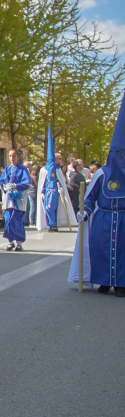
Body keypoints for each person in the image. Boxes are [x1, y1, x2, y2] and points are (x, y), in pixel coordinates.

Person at [70, 91, 125, 296]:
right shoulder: (102, 174)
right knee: (101, 249)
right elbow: (90, 197)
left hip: (123, 219)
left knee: (122, 252)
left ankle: (121, 283)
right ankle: (103, 281)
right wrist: (84, 211)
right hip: (103, 219)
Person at [36, 127, 77, 232]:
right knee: (47, 207)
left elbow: (61, 180)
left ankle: (53, 223)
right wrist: (42, 191)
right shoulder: (44, 170)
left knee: (52, 207)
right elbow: (42, 182)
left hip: (55, 191)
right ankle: (50, 224)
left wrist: (61, 188)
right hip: (47, 191)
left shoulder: (58, 169)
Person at [0, 149, 31, 251]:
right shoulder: (7, 169)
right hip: (8, 200)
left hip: (19, 200)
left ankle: (19, 242)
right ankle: (10, 241)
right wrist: (4, 187)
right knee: (8, 220)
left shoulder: (23, 169)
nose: (12, 158)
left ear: (18, 157)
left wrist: (16, 186)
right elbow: (1, 183)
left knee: (17, 221)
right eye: (10, 156)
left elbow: (27, 184)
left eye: (14, 156)